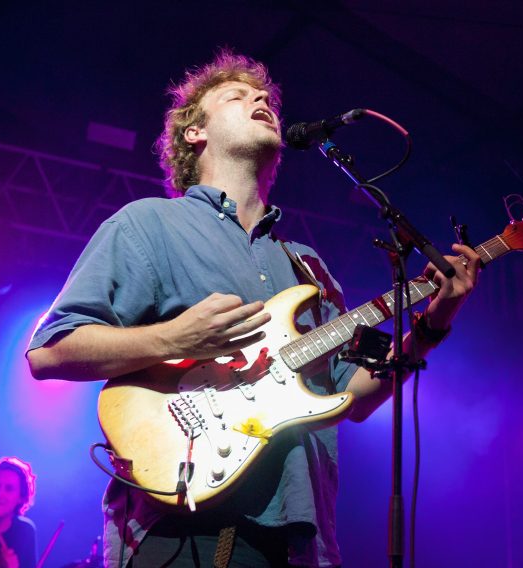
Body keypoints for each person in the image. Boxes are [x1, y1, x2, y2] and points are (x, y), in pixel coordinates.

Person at [26, 49, 481, 567]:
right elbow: (50, 352)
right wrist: (172, 339)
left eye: (265, 95)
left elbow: (352, 397)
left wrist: (434, 322)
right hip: (186, 527)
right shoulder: (147, 224)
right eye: (237, 96)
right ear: (194, 132)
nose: (262, 98)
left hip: (300, 534)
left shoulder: (308, 266)